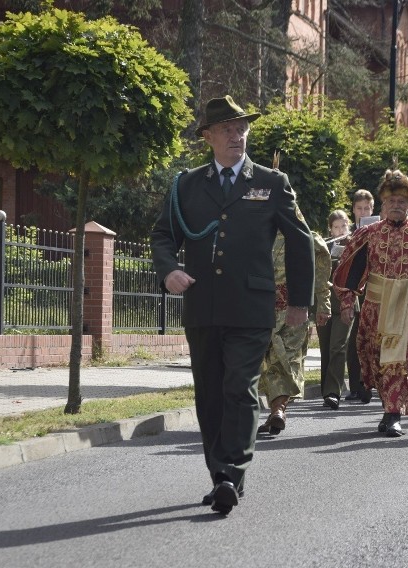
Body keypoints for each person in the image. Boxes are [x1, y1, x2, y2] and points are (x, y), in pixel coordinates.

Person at [150, 95, 315, 515]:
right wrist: (168, 269)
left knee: (239, 389)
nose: (236, 135)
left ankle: (230, 473)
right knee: (209, 395)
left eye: (242, 128)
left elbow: (301, 243)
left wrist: (300, 302)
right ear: (207, 136)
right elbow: (164, 236)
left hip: (251, 307)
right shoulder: (186, 184)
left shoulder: (272, 183)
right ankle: (220, 475)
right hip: (202, 306)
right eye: (226, 129)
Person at [333, 169, 408, 437]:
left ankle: (393, 412)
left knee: (399, 360)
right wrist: (347, 300)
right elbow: (352, 269)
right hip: (374, 305)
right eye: (391, 201)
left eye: (402, 202)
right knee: (376, 358)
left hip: (407, 309)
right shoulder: (369, 234)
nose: (396, 206)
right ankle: (388, 406)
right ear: (383, 204)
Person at [257, 230, 331, 433]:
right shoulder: (256, 231)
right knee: (268, 360)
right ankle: (276, 410)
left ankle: (278, 410)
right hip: (261, 308)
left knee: (286, 358)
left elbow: (321, 274)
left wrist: (323, 304)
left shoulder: (307, 236)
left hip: (295, 309)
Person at [318, 210, 353, 409]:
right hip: (326, 303)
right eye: (336, 227)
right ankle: (326, 390)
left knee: (338, 346)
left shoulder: (355, 245)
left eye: (343, 226)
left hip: (346, 303)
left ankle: (333, 392)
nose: (340, 230)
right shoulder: (325, 246)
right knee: (325, 348)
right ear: (330, 229)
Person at [345, 189, 376, 403]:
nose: (363, 212)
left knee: (374, 340)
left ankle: (371, 383)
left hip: (375, 290)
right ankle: (355, 385)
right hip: (355, 292)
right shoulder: (347, 234)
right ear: (353, 210)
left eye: (367, 208)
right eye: (359, 208)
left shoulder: (379, 231)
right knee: (353, 339)